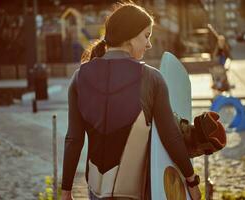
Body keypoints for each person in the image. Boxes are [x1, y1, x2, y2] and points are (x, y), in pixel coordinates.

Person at [61, 2, 201, 200]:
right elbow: (171, 137)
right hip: (136, 191)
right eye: (146, 36)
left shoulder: (79, 77)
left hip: (96, 191)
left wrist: (66, 190)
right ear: (130, 37)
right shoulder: (151, 78)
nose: (149, 44)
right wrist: (191, 180)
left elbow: (73, 140)